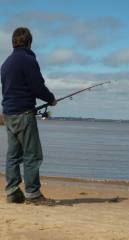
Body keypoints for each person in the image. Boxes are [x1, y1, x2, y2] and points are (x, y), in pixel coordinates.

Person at [1, 27, 57, 204]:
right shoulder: (28, 59)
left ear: (13, 42)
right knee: (32, 155)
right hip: (24, 114)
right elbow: (37, 87)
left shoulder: (6, 63)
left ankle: (12, 191)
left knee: (13, 155)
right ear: (29, 42)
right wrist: (51, 99)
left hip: (8, 114)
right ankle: (33, 194)